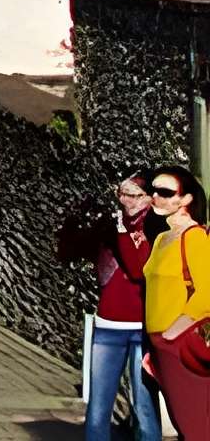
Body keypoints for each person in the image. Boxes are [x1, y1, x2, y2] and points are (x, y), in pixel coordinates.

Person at [62, 171, 160, 441]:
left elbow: (138, 267)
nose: (125, 200)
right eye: (121, 193)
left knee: (144, 406)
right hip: (108, 324)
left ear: (148, 198)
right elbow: (71, 250)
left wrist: (123, 230)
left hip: (142, 324)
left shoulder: (154, 227)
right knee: (98, 406)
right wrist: (77, 221)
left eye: (132, 195)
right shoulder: (110, 225)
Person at [148, 166, 210, 434]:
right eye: (153, 190)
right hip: (160, 344)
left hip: (179, 343)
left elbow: (207, 293)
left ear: (185, 200)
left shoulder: (194, 237)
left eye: (165, 192)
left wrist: (171, 335)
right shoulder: (162, 237)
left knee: (194, 427)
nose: (155, 197)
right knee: (182, 424)